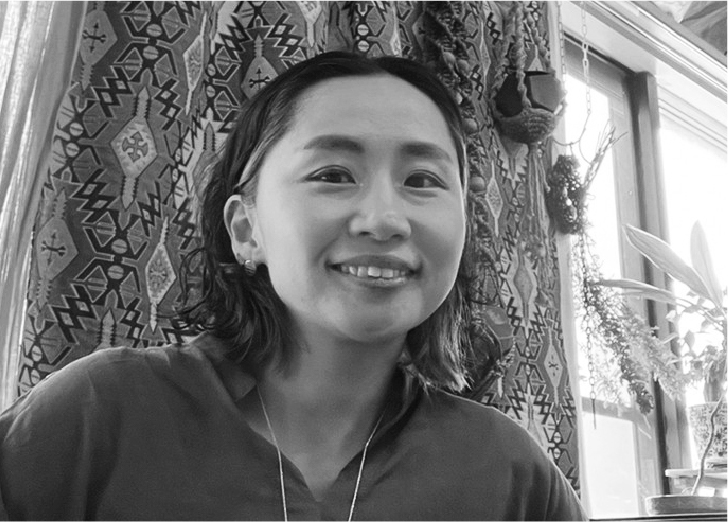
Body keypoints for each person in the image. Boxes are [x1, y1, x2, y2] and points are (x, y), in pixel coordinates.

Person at [0, 52, 586, 521]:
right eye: (333, 174)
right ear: (245, 229)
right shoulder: (98, 416)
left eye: (423, 180)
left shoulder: (509, 473)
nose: (384, 220)